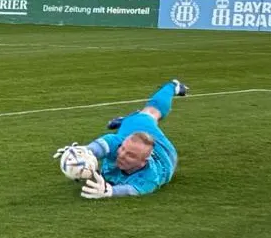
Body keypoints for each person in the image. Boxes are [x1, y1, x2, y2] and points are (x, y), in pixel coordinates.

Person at [54, 79, 188, 199]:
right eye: (123, 149)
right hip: (134, 129)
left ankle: (171, 87)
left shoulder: (151, 176)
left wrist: (110, 191)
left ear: (143, 161)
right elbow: (98, 148)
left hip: (166, 152)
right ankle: (129, 119)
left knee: (149, 115)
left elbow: (131, 190)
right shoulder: (117, 143)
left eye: (130, 155)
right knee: (143, 116)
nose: (121, 155)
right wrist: (81, 152)